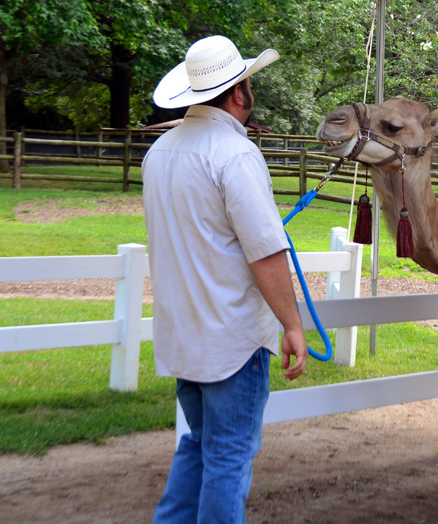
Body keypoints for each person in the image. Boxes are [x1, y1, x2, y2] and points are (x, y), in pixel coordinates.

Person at [144, 35, 307, 524]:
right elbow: (266, 253)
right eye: (248, 83)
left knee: (198, 446)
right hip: (232, 341)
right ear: (238, 93)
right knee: (227, 460)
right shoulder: (235, 154)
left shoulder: (160, 154)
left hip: (184, 338)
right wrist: (292, 325)